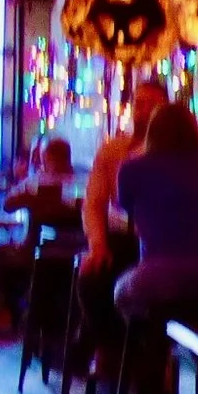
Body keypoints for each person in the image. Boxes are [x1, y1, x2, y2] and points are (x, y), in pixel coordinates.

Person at [77, 77, 168, 370]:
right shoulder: (113, 150)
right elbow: (93, 202)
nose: (142, 111)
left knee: (147, 295)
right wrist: (98, 244)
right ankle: (111, 349)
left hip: (160, 244)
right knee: (92, 281)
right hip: (121, 240)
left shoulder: (178, 154)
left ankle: (134, 358)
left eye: (151, 105)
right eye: (138, 104)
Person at [113, 103, 198, 316]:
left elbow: (124, 205)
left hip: (159, 274)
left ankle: (149, 346)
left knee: (119, 293)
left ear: (152, 132)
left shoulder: (132, 168)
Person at [0, 136, 80, 325]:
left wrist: (25, 178)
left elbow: (8, 205)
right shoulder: (83, 185)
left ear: (45, 157)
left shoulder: (35, 184)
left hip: (31, 253)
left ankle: (0, 310)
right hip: (74, 257)